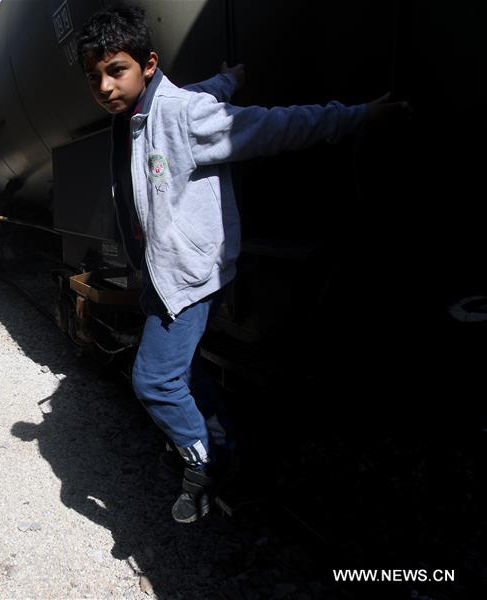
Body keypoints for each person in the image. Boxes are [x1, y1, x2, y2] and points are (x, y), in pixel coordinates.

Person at [75, 4, 410, 524]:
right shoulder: (141, 111)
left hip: (185, 275)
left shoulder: (177, 115)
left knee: (155, 381)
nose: (105, 86)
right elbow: (204, 94)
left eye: (115, 70)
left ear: (147, 63)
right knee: (182, 370)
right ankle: (226, 441)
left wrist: (359, 115)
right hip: (160, 270)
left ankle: (204, 466)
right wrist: (228, 79)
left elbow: (277, 126)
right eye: (95, 77)